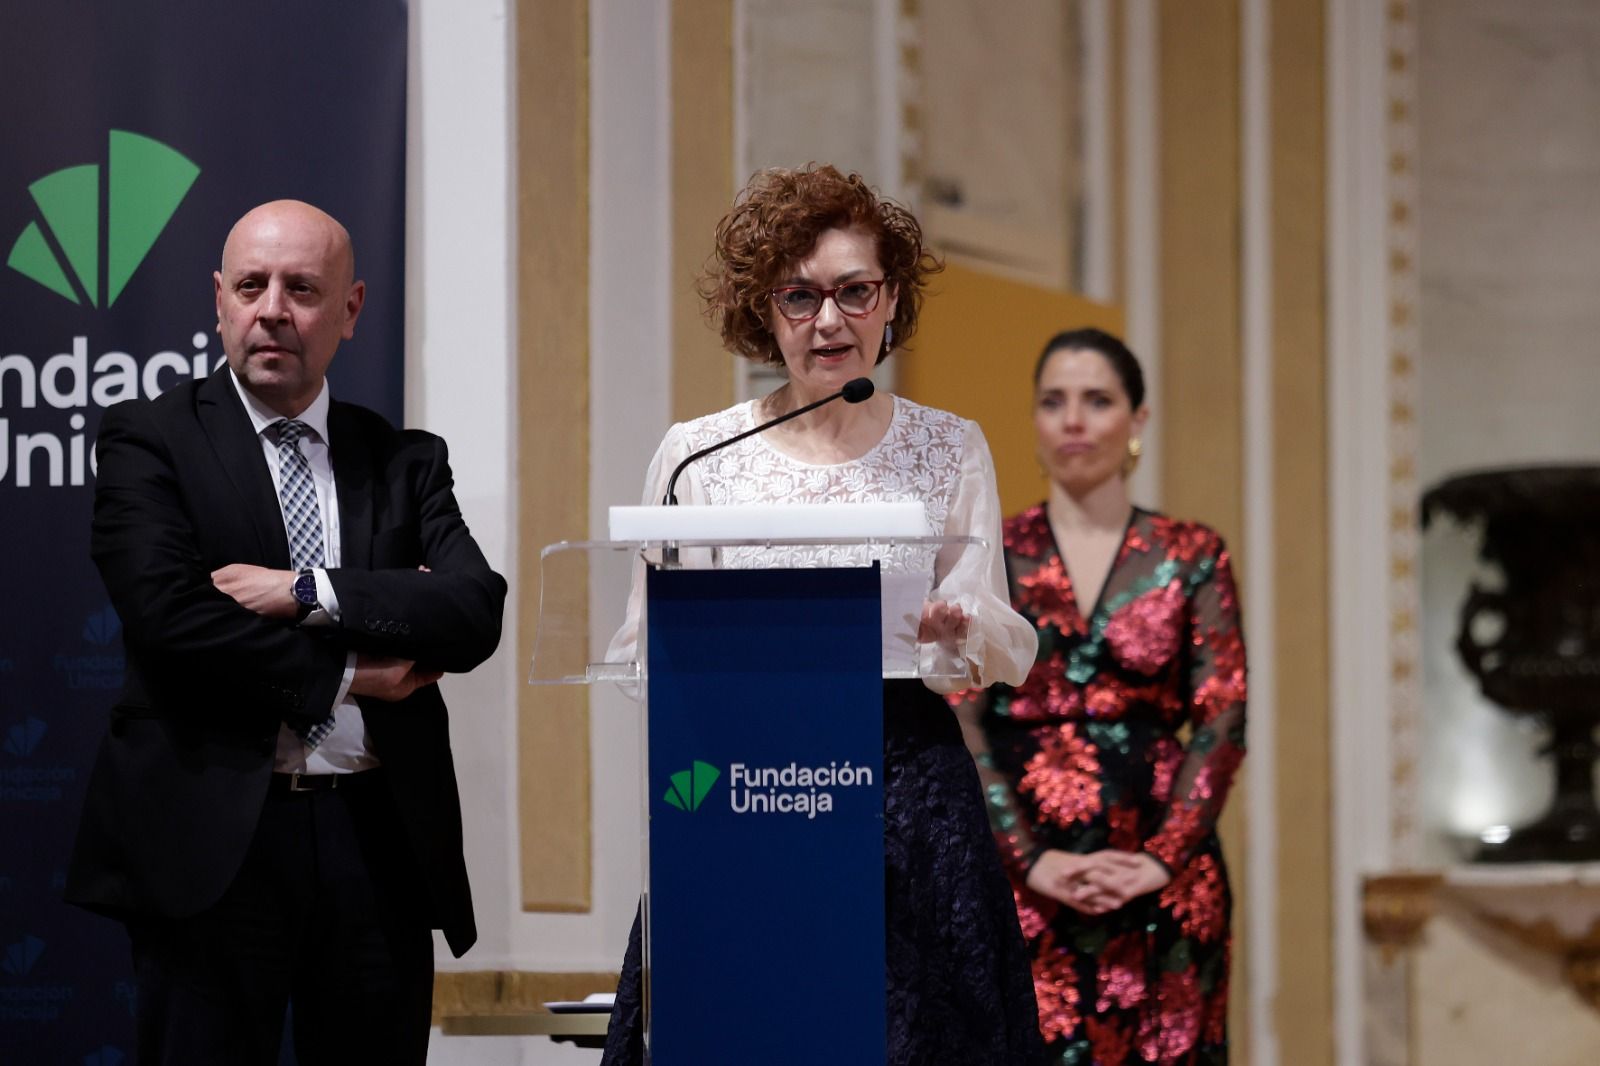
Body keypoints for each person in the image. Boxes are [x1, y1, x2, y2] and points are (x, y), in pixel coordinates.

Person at [600, 165, 1045, 1065]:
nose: (829, 321)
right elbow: (638, 649)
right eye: (800, 296)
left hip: (907, 790)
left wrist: (959, 629)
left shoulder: (948, 446)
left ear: (890, 304)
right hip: (739, 788)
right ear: (762, 310)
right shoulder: (697, 457)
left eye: (854, 291)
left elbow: (1006, 643)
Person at [64, 200, 507, 1065]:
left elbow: (471, 611)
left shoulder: (403, 457)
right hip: (215, 843)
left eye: (302, 288)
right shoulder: (148, 440)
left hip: (377, 844)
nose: (273, 308)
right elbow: (172, 617)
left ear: (350, 309)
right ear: (219, 301)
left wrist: (305, 589)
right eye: (252, 285)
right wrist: (348, 678)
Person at [953, 327, 1247, 1064]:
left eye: (1097, 400)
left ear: (1138, 419)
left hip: (1163, 886)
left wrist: (1160, 857)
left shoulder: (1192, 554)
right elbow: (963, 716)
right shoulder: (989, 553)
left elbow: (1222, 714)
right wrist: (1027, 857)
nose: (1073, 420)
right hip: (1020, 882)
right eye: (1053, 402)